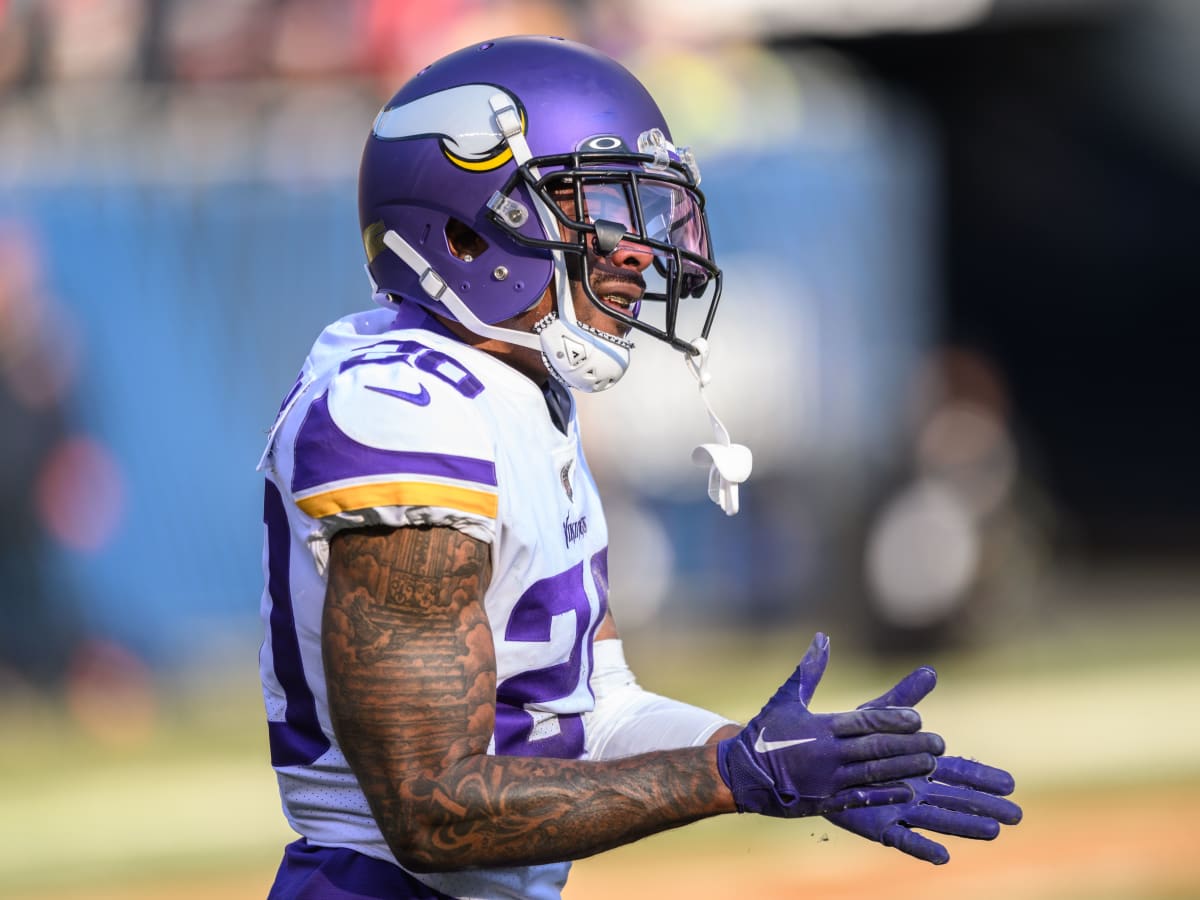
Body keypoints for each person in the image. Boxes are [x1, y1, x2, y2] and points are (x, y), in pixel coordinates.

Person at [256, 35, 1021, 899]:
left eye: (646, 216)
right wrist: (732, 775)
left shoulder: (517, 391)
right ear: (471, 230)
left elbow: (597, 708)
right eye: (602, 211)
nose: (639, 253)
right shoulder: (403, 410)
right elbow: (434, 807)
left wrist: (785, 756)